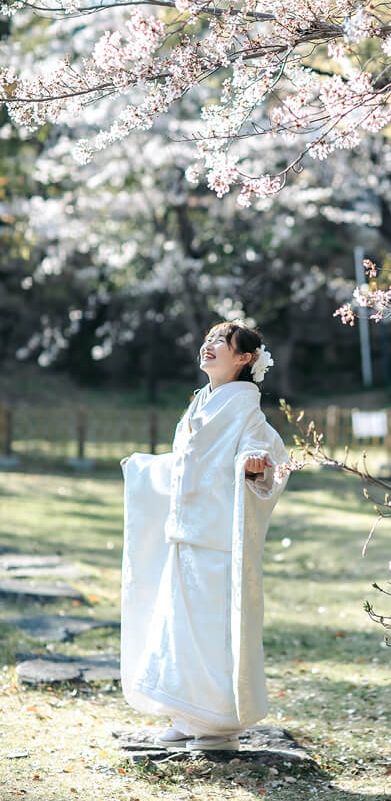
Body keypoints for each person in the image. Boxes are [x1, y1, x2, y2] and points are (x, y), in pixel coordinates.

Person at [120, 321, 289, 751]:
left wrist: (256, 467)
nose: (209, 347)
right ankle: (186, 713)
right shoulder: (200, 402)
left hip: (218, 539)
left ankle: (218, 724)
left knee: (214, 631)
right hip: (185, 533)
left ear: (245, 358)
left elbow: (267, 451)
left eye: (221, 342)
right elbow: (185, 466)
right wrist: (145, 467)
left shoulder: (246, 410)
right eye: (208, 340)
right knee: (178, 627)